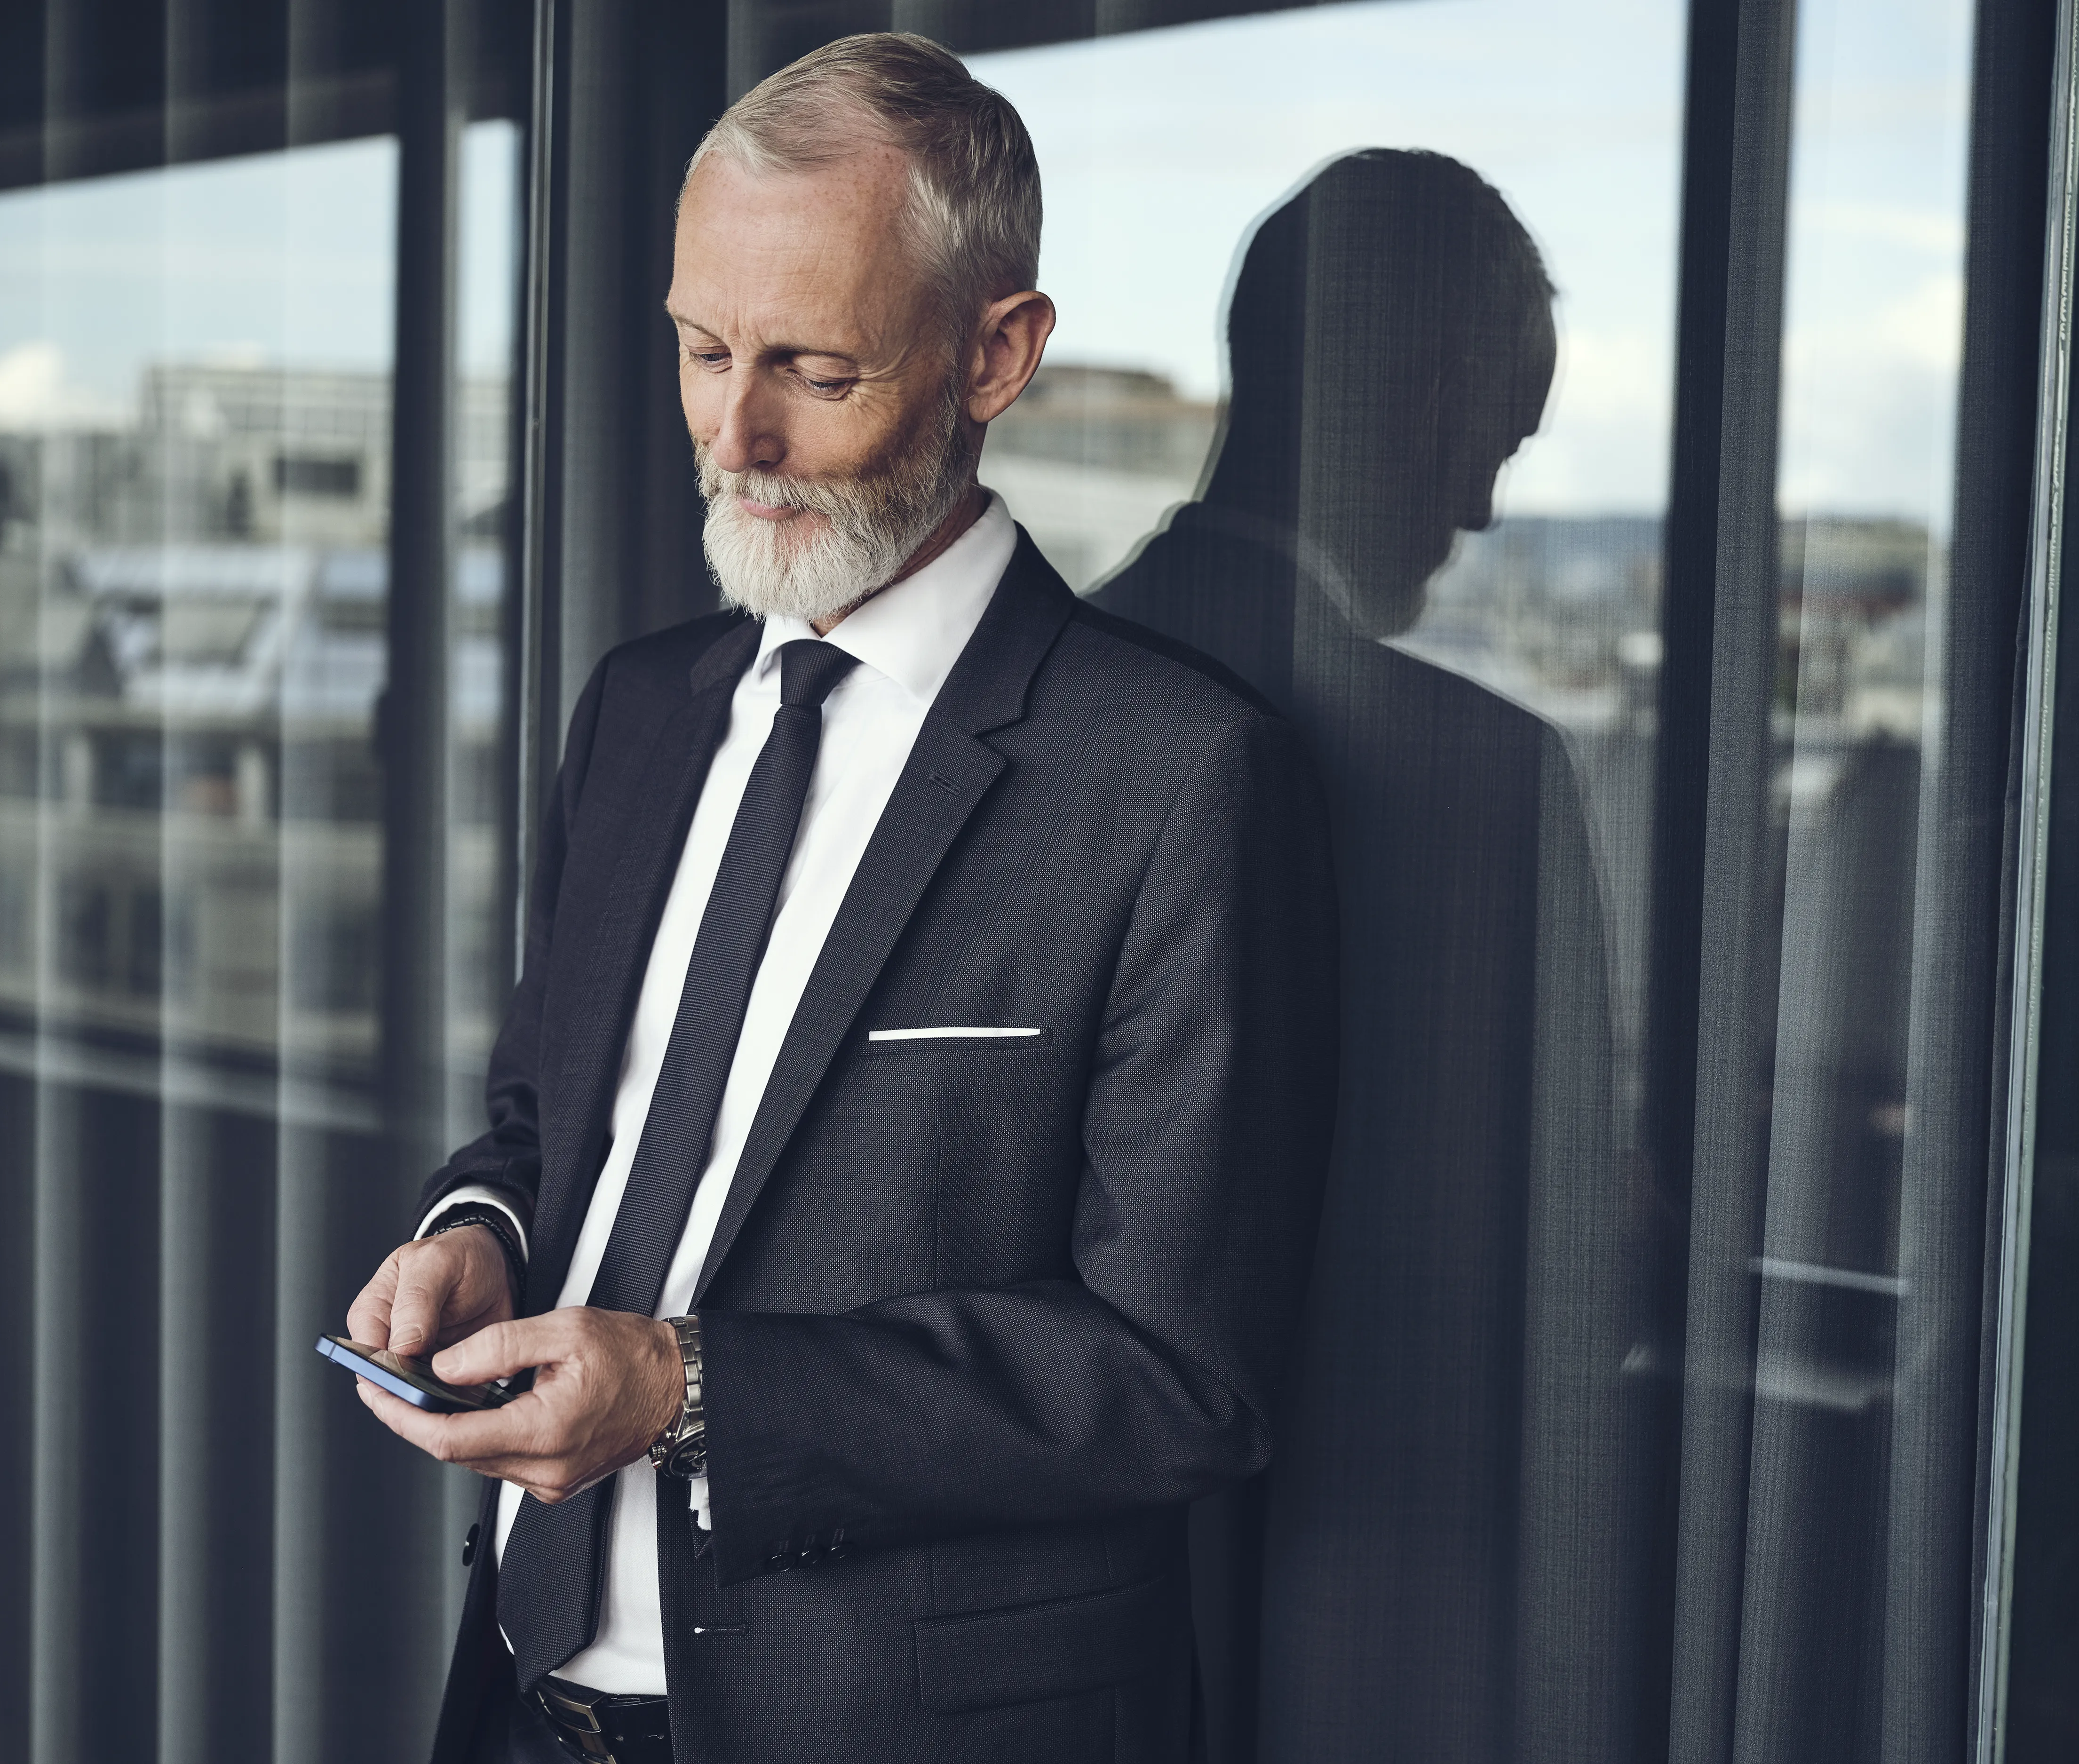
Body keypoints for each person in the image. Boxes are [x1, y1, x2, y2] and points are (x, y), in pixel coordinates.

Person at [339, 33, 1338, 1764]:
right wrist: (472, 1236)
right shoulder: (642, 706)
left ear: (997, 354)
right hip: (520, 1699)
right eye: (702, 348)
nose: (737, 434)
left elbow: (1183, 1374)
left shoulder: (1179, 774)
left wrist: (692, 1389)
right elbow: (545, 1112)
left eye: (813, 367)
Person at [1094, 151, 1639, 1760]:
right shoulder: (1485, 783)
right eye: (1494, 440)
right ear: (1414, 390)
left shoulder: (1007, 713)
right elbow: (1561, 1268)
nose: (1479, 511)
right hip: (1383, 1587)